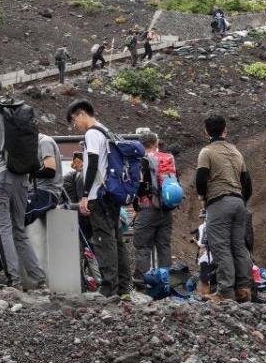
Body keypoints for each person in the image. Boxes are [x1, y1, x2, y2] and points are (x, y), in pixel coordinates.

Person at [0, 78, 46, 290]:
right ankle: (38, 278)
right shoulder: (15, 111)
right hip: (21, 178)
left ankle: (13, 280)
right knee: (19, 230)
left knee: (4, 229)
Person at [67, 99, 131, 298]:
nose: (74, 125)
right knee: (116, 239)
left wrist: (85, 195)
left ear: (81, 114)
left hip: (99, 195)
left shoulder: (92, 133)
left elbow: (93, 163)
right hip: (112, 194)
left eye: (73, 120)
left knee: (104, 241)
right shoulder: (106, 130)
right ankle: (123, 287)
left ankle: (108, 288)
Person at [196, 114, 253, 302]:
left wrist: (203, 197)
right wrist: (240, 200)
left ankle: (225, 291)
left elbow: (201, 180)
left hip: (219, 203)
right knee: (239, 246)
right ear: (225, 130)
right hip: (239, 203)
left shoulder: (207, 152)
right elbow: (247, 183)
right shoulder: (237, 152)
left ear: (206, 131)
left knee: (221, 247)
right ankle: (243, 288)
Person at [133, 131, 175, 282]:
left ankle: (142, 283)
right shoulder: (167, 158)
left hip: (147, 208)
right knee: (164, 246)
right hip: (166, 208)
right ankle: (166, 282)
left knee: (143, 247)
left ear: (141, 144)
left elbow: (137, 186)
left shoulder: (141, 160)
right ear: (156, 144)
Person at [28, 133, 63, 224]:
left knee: (18, 214)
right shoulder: (31, 146)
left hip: (46, 191)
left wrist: (29, 174)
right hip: (33, 190)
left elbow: (50, 171)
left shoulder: (45, 142)